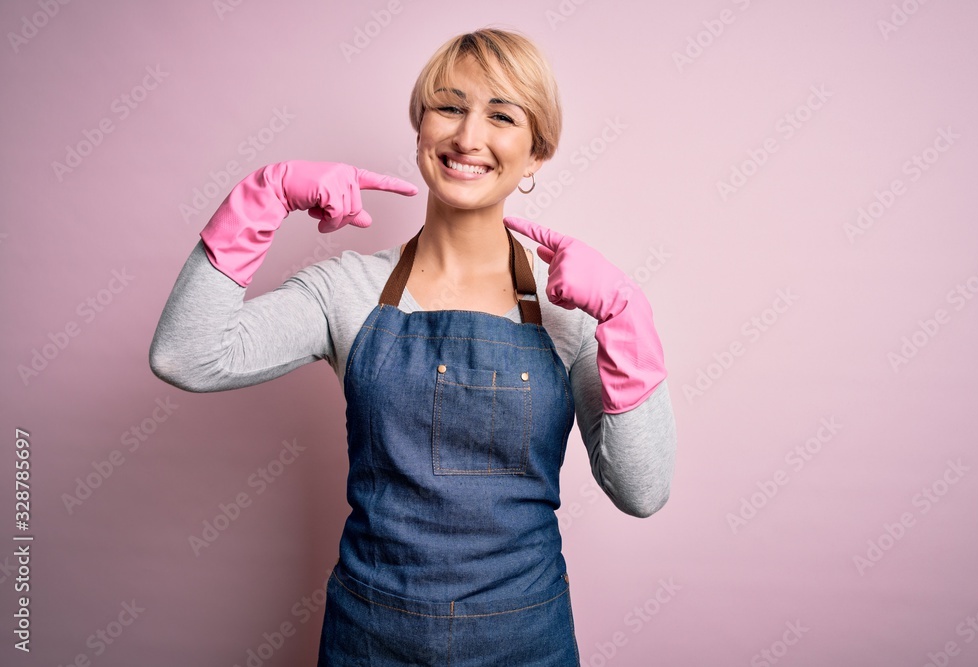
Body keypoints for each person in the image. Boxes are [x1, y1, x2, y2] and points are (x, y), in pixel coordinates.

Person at [150, 27, 676, 666]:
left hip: (524, 642)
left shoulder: (574, 312)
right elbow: (187, 355)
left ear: (537, 153)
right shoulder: (347, 290)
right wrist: (261, 199)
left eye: (501, 116)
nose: (467, 137)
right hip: (370, 641)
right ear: (421, 127)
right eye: (450, 107)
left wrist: (627, 318)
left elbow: (641, 492)